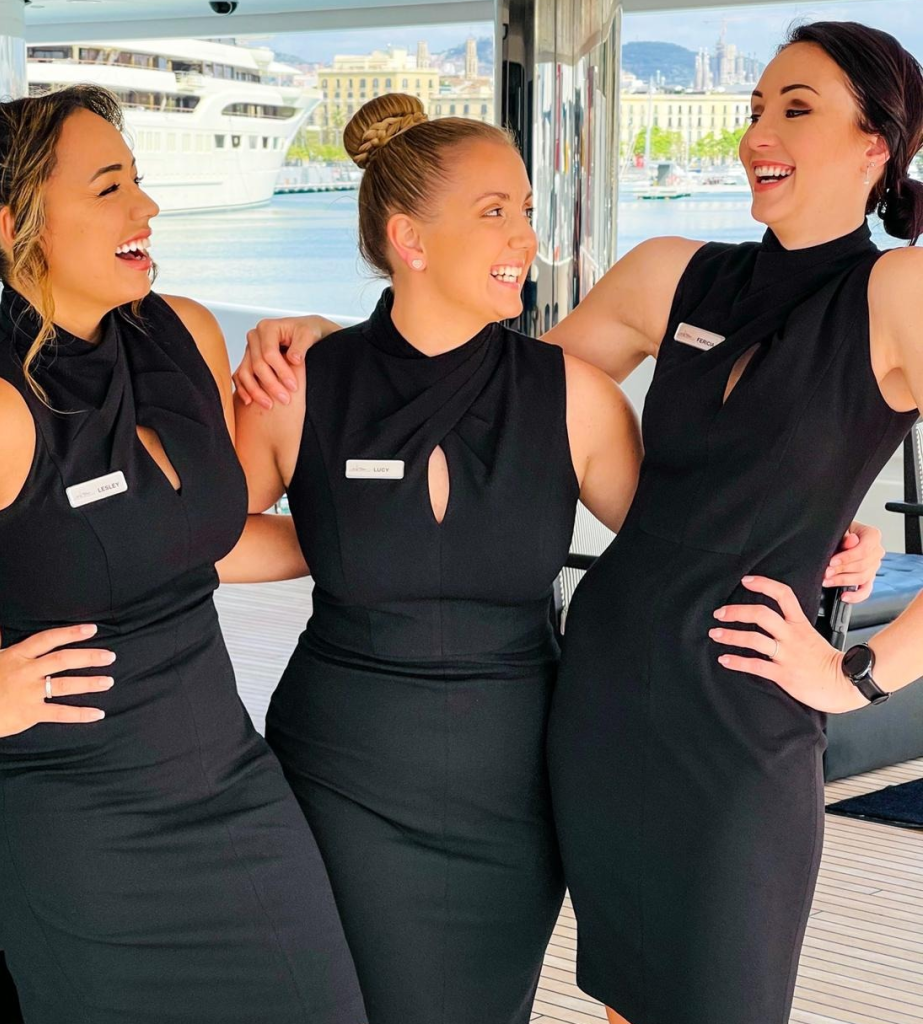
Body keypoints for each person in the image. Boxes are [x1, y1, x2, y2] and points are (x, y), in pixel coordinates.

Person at [232, 21, 916, 1024]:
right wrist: (343, 345)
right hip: (599, 695)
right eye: (755, 108)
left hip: (740, 707)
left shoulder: (900, 289)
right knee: (629, 1000)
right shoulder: (671, 271)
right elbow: (484, 384)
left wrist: (859, 673)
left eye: (796, 109)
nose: (758, 134)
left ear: (876, 146)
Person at [0, 85, 365, 1024]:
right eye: (110, 187)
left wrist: (384, 546)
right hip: (77, 827)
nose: (147, 207)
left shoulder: (183, 331)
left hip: (233, 785)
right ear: (17, 225)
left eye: (138, 180)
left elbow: (205, 541)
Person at [233, 93, 642, 1024]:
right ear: (408, 239)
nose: (526, 238)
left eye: (526, 210)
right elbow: (202, 539)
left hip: (521, 783)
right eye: (495, 211)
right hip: (343, 778)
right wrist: (336, 542)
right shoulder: (297, 388)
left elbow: (680, 552)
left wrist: (829, 544)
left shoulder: (575, 397)